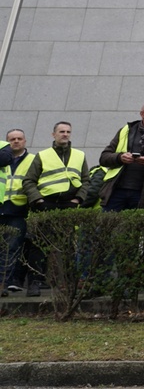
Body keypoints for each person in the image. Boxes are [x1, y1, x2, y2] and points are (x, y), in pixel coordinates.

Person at [21, 121, 89, 296]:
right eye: (61, 131)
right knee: (39, 245)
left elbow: (86, 180)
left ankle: (67, 283)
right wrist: (38, 200)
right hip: (46, 204)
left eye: (68, 131)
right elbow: (29, 181)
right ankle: (35, 283)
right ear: (54, 135)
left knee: (67, 245)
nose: (65, 134)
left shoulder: (79, 155)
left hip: (68, 204)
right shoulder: (43, 155)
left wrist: (78, 199)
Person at [1, 129, 32, 297]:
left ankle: (5, 282)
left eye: (19, 138)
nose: (16, 141)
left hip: (18, 210)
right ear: (7, 142)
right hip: (1, 208)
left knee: (12, 248)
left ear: (25, 141)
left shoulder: (33, 160)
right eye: (12, 139)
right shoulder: (2, 158)